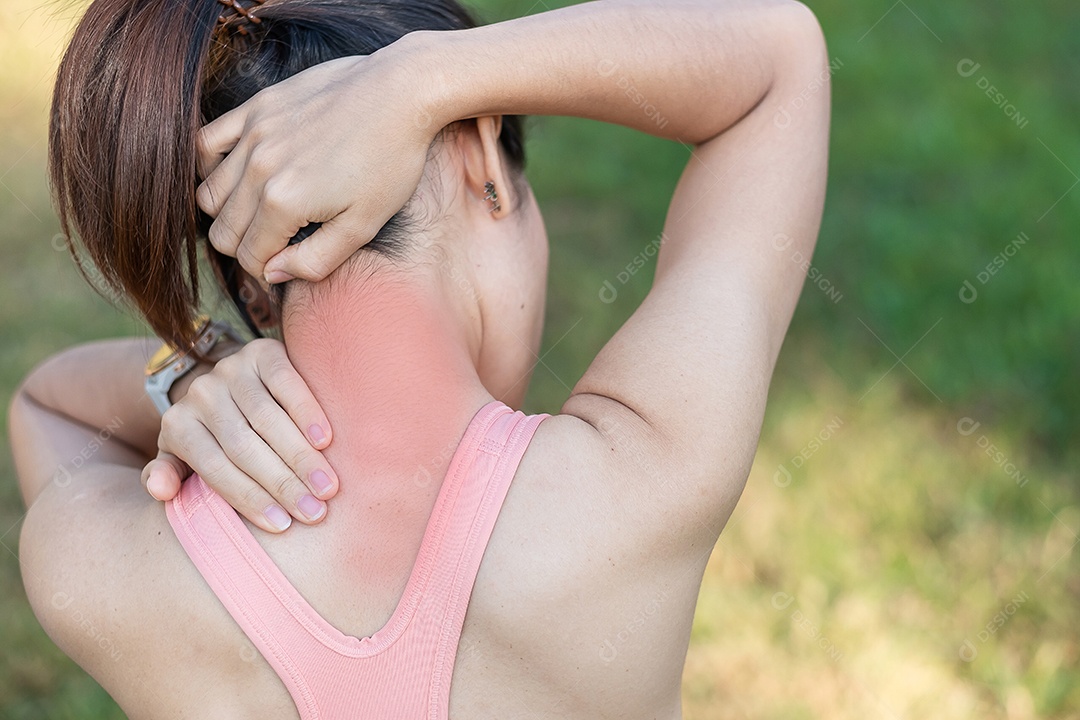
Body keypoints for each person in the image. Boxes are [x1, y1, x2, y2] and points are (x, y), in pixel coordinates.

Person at [9, 0, 830, 716]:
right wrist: (434, 78)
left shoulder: (125, 582)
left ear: (255, 294)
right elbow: (775, 61)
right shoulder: (635, 480)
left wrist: (186, 367)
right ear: (483, 162)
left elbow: (45, 409)